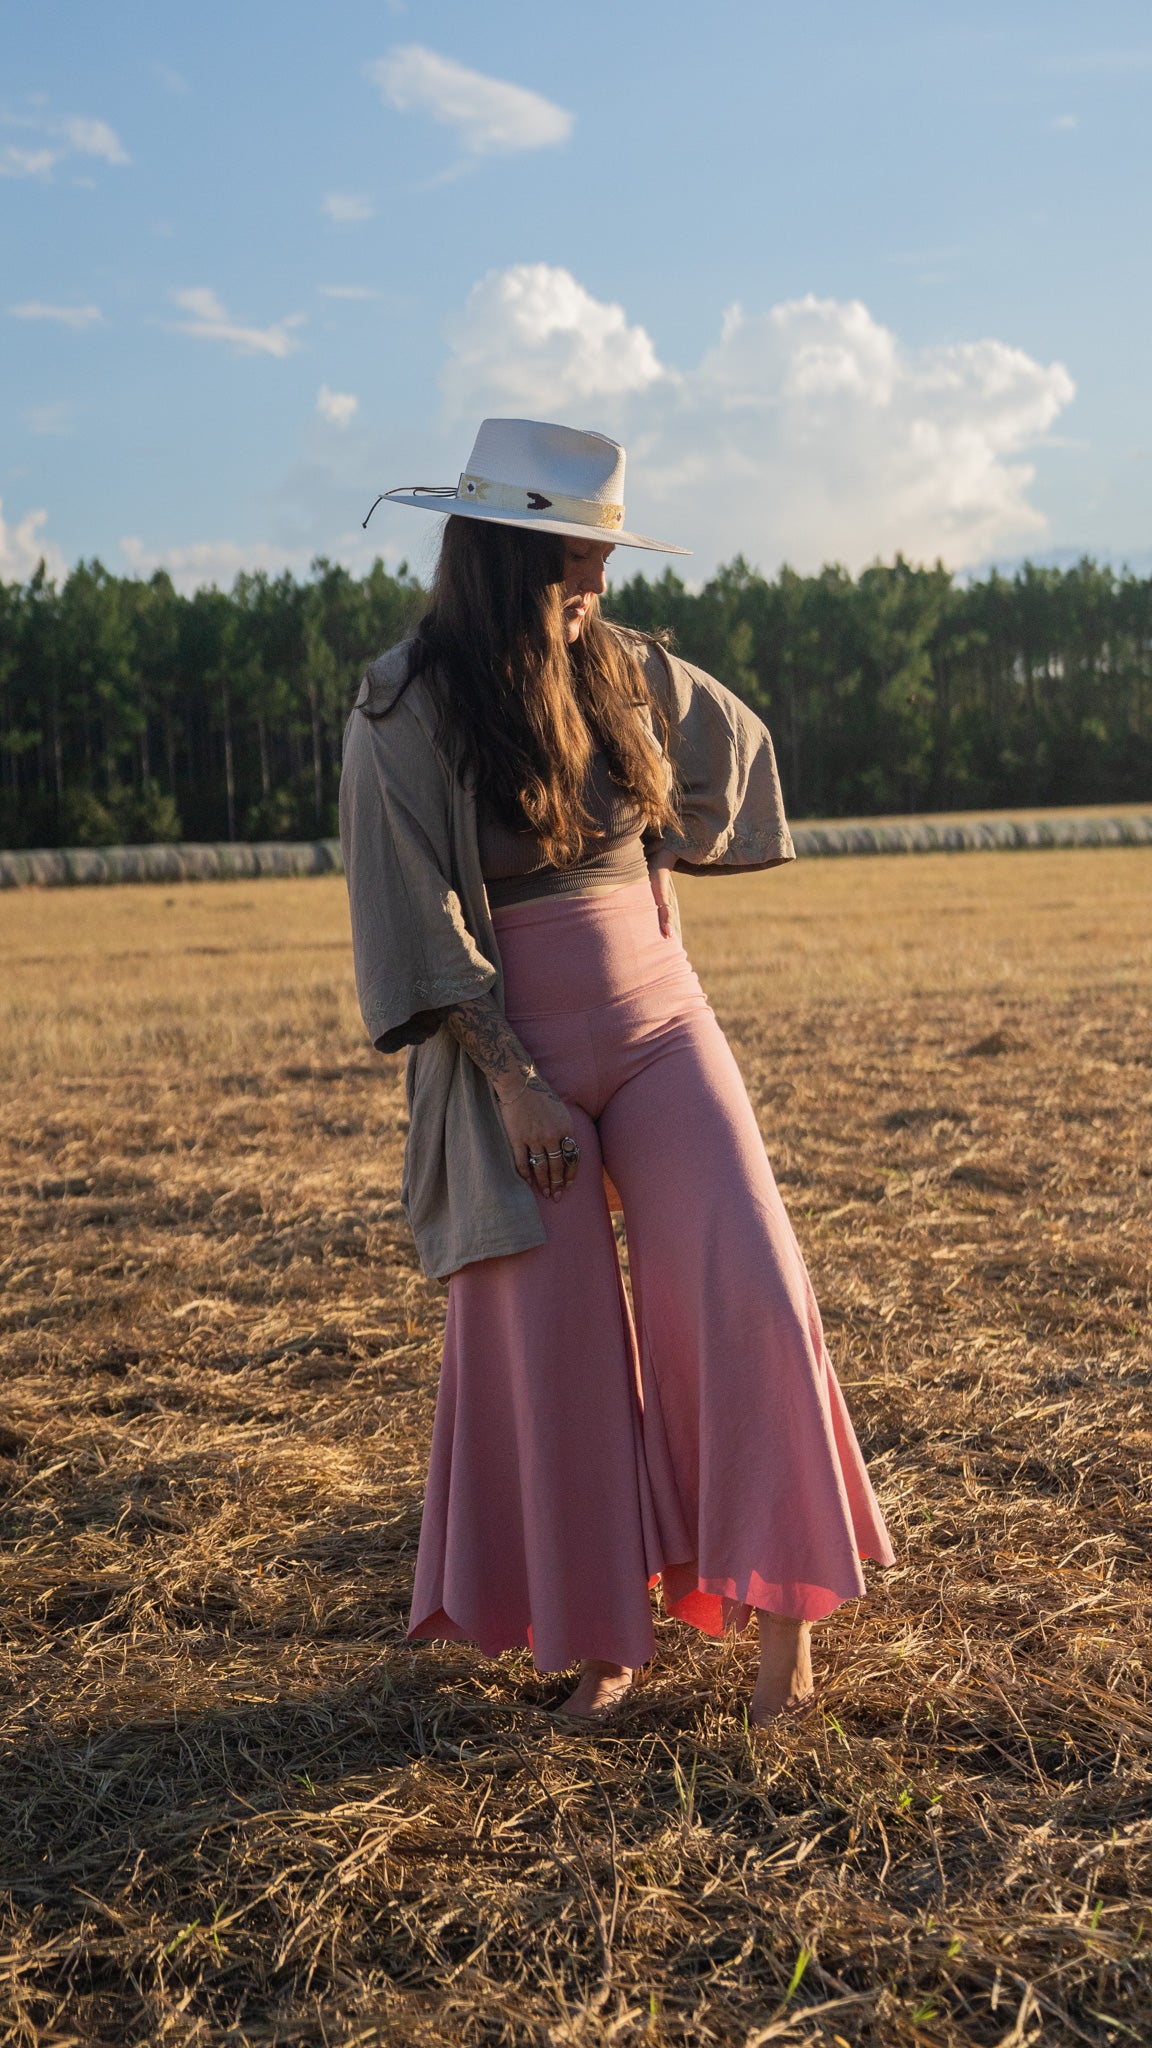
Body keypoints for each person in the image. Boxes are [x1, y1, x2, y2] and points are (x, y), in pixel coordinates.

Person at [340, 417, 894, 1726]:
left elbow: (735, 747)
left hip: (659, 1029)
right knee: (557, 1348)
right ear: (507, 557)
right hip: (510, 1070)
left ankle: (785, 1639)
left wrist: (668, 856)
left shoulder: (625, 667)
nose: (598, 581)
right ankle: (606, 1644)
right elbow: (415, 916)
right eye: (579, 558)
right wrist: (516, 1082)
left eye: (601, 557)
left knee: (748, 1287)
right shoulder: (405, 703)